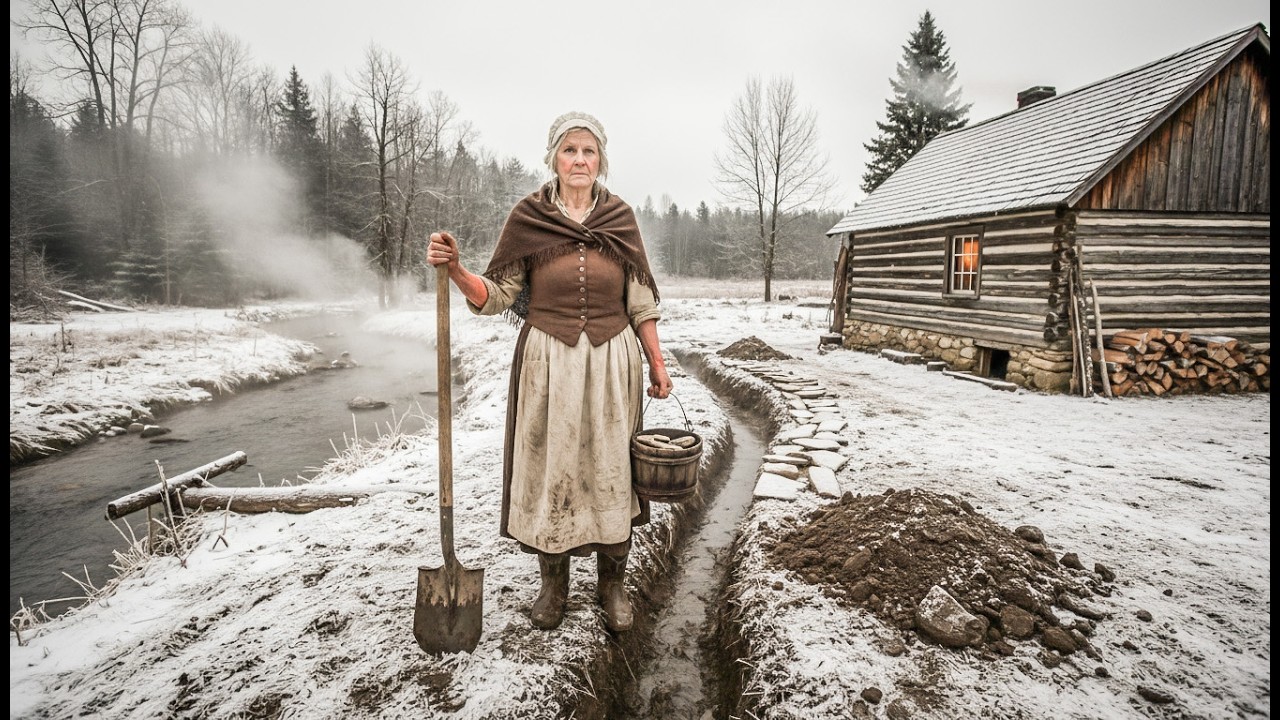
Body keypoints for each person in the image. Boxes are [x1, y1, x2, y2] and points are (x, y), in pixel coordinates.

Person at [427, 112, 672, 633]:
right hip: (548, 363)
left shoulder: (621, 219)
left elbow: (641, 303)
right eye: (569, 151)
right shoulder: (528, 218)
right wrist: (457, 272)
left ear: (601, 158)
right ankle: (553, 585)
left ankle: (612, 585)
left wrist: (655, 359)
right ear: (553, 159)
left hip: (611, 363)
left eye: (589, 151)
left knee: (611, 467)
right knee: (551, 466)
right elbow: (496, 297)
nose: (579, 160)